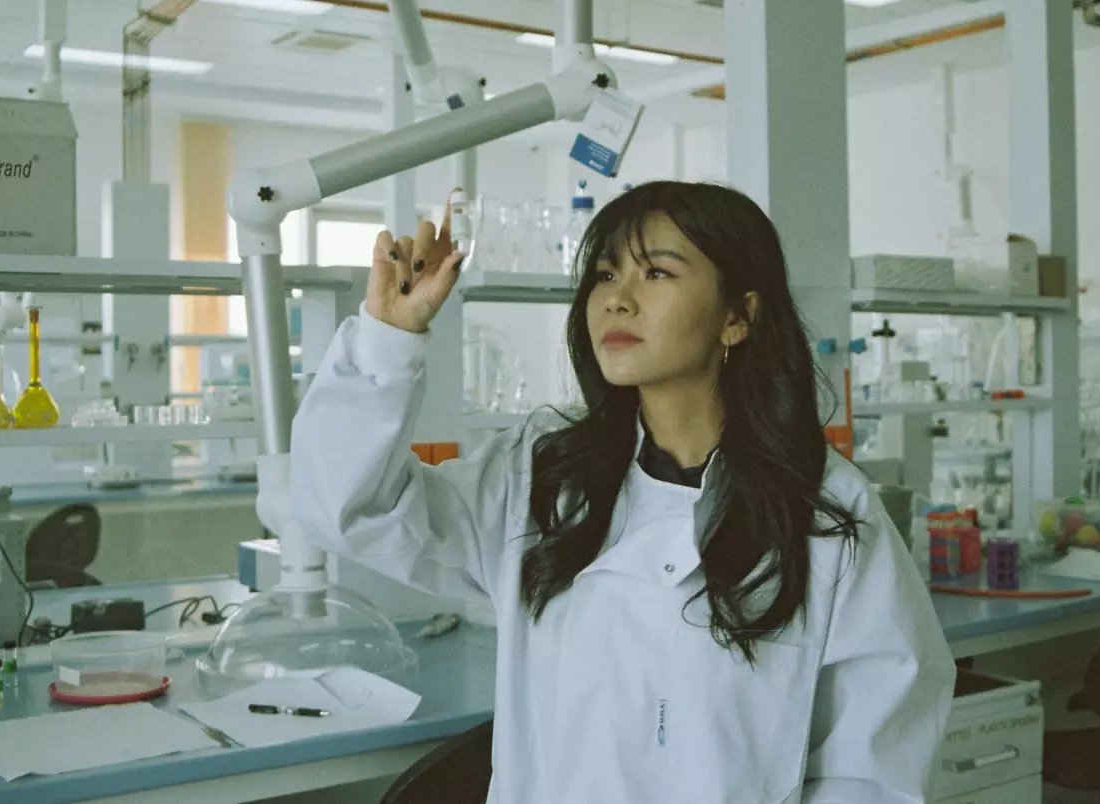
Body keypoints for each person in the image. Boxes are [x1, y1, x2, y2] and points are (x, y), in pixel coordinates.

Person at [286, 181, 956, 804]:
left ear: (738, 316)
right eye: (606, 273)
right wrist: (386, 340)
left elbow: (873, 766)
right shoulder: (542, 476)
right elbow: (350, 508)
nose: (617, 298)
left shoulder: (825, 511)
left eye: (657, 272)